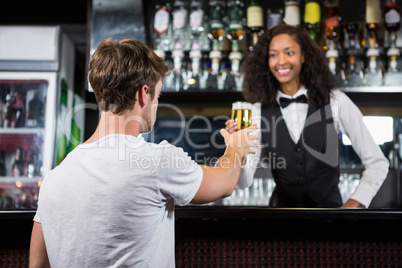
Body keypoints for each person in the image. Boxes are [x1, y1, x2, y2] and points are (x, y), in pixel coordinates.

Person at [29, 38, 258, 267]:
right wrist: (237, 147)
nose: (156, 104)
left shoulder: (53, 179)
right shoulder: (156, 161)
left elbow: (37, 265)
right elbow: (225, 183)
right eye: (157, 96)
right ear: (143, 94)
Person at [226, 24, 389, 208]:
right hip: (281, 222)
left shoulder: (336, 100)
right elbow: (243, 182)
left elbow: (377, 162)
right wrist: (236, 149)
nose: (281, 61)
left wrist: (355, 202)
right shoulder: (257, 111)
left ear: (304, 56)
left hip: (331, 222)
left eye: (289, 53)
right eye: (273, 54)